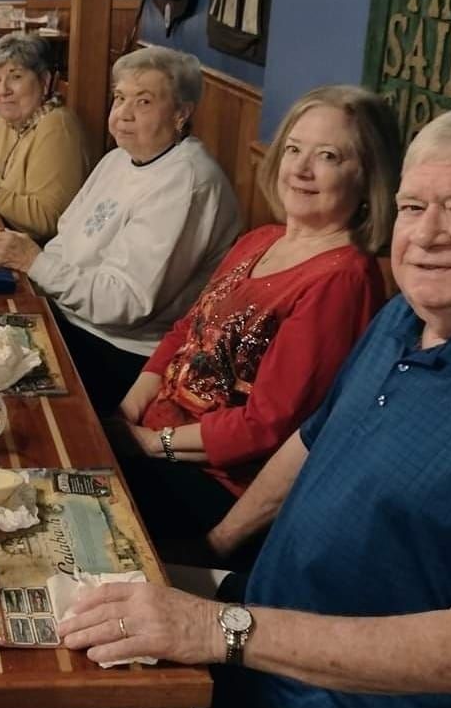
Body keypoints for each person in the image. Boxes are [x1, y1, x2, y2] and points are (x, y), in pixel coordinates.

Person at [0, 107, 451, 708]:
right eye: (414, 208)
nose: (429, 236)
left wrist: (223, 628)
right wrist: (204, 554)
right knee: (66, 627)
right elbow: (310, 444)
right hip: (284, 657)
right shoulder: (404, 321)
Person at [114, 84, 401, 554]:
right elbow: (186, 331)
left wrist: (148, 444)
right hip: (155, 437)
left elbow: (265, 425)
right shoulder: (260, 239)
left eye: (328, 156)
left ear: (367, 176)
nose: (301, 169)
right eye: (293, 149)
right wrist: (124, 413)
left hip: (213, 485)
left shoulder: (343, 278)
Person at [0, 48, 240, 405]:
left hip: (119, 355)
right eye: (119, 98)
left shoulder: (187, 181)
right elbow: (63, 242)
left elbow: (124, 303)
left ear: (181, 113)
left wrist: (34, 263)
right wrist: (31, 264)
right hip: (68, 320)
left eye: (144, 101)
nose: (124, 114)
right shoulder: (119, 158)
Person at [0, 31, 89, 244]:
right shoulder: (8, 120)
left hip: (38, 259)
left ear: (44, 82)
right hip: (3, 237)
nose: (3, 90)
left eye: (16, 77)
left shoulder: (57, 126)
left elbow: (47, 219)